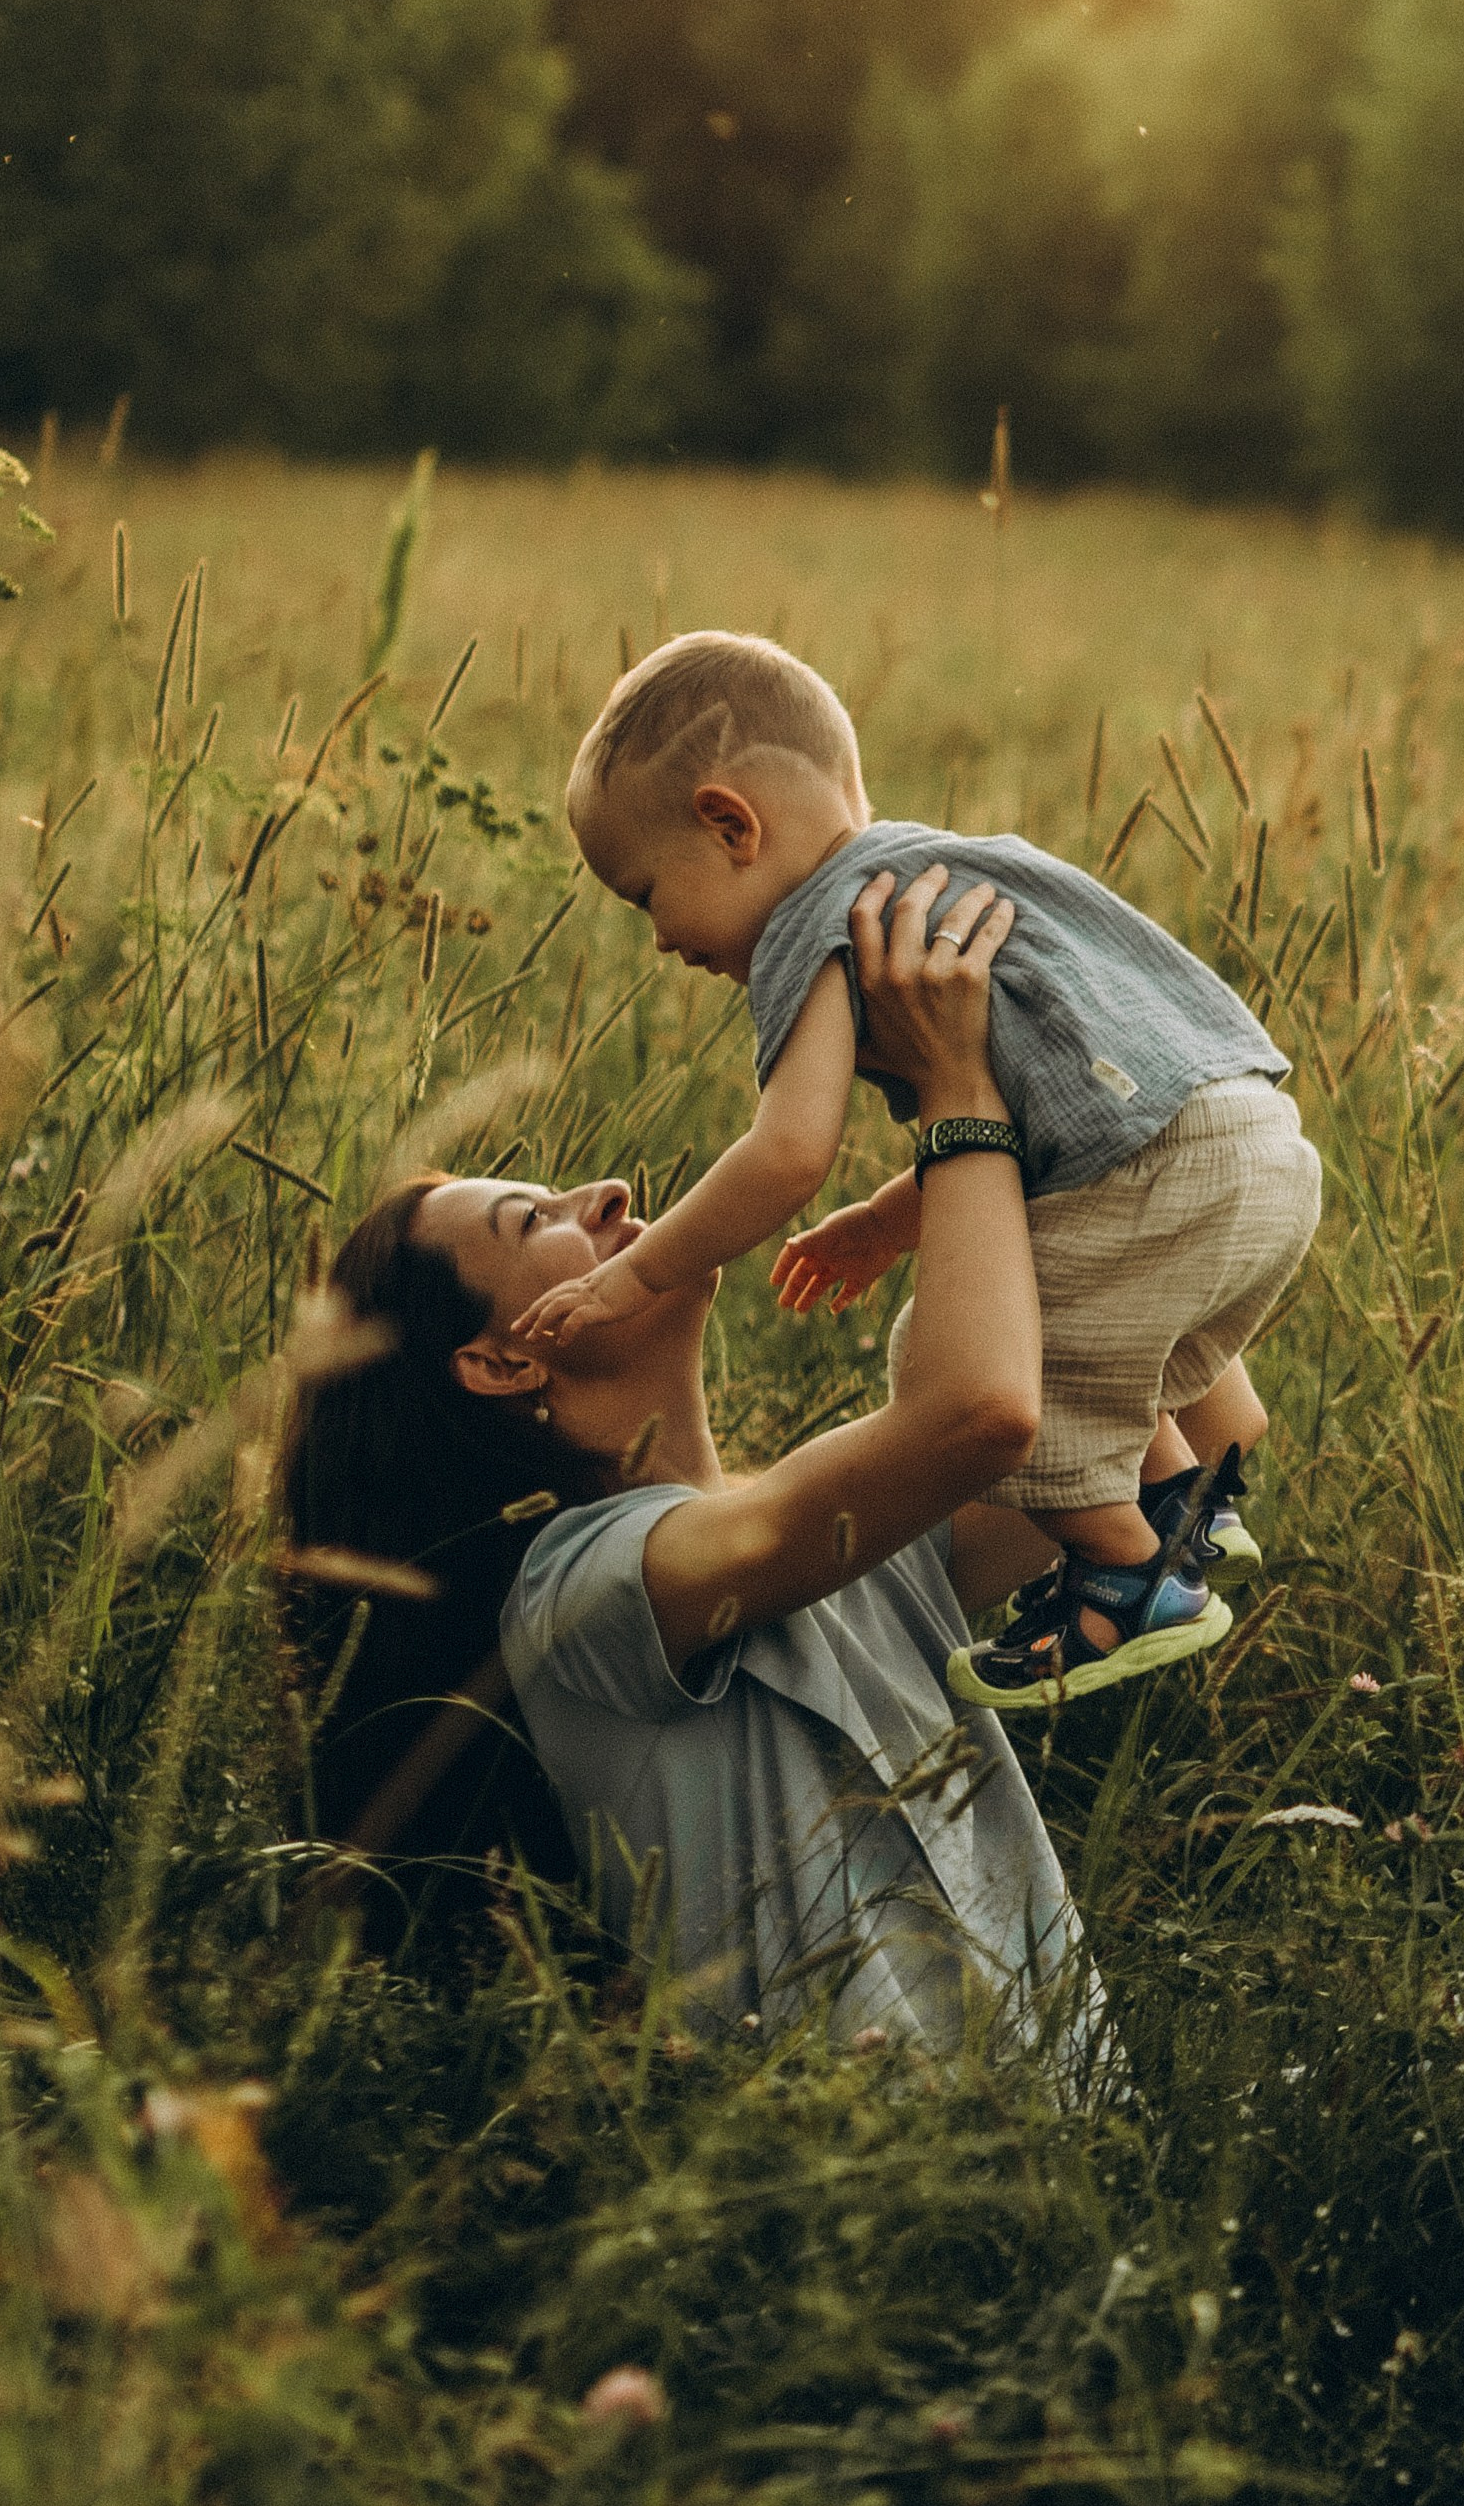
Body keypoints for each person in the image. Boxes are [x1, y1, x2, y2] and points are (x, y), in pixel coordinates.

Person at [280, 866, 1108, 2048]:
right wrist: (957, 1088)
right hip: (865, 2195)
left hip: (1070, 2167)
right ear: (505, 1362)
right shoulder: (582, 1590)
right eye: (537, 1220)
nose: (609, 1190)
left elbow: (1188, 1426)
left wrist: (1078, 1082)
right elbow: (983, 1411)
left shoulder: (820, 1533)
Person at [515, 631, 1321, 1711]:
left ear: (729, 824)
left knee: (965, 1355)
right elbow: (1062, 1099)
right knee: (1059, 1310)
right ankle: (1181, 1500)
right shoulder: (950, 864)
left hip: (1159, 1168)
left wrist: (640, 1274)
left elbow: (786, 1151)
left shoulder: (814, 928)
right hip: (1256, 1134)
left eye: (646, 892)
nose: (658, 940)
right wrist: (895, 1220)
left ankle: (1131, 1578)